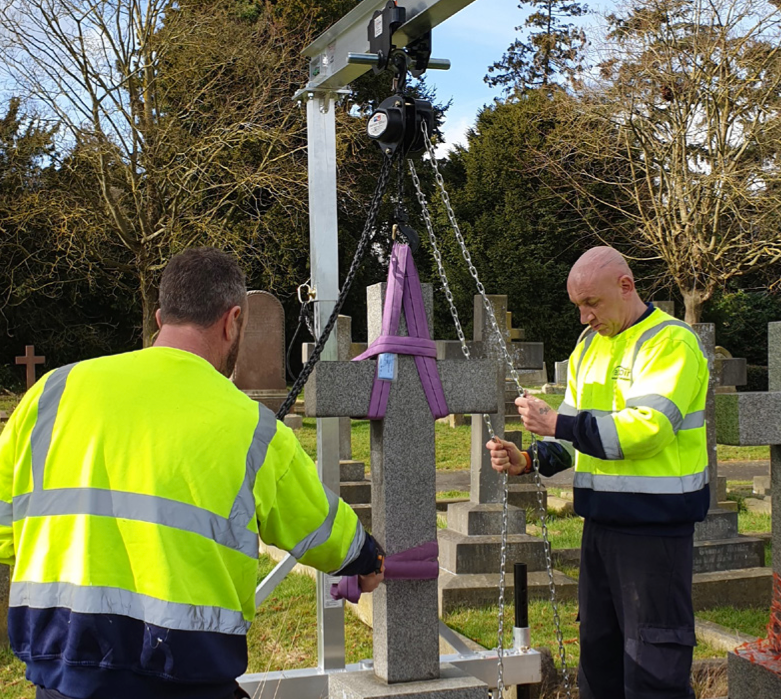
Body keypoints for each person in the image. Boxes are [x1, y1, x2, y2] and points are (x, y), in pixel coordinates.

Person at [0, 247, 385, 699]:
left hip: (62, 677)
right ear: (232, 320)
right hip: (183, 678)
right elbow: (316, 522)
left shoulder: (52, 394)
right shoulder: (250, 428)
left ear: (161, 318)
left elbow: (8, 534)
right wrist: (366, 559)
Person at [487, 247, 709, 699]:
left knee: (654, 667)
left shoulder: (670, 342)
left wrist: (558, 423)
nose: (584, 317)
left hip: (655, 533)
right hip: (601, 528)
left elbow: (648, 430)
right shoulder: (590, 346)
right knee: (600, 659)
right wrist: (530, 458)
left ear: (626, 287)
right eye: (578, 306)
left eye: (592, 303)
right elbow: (572, 431)